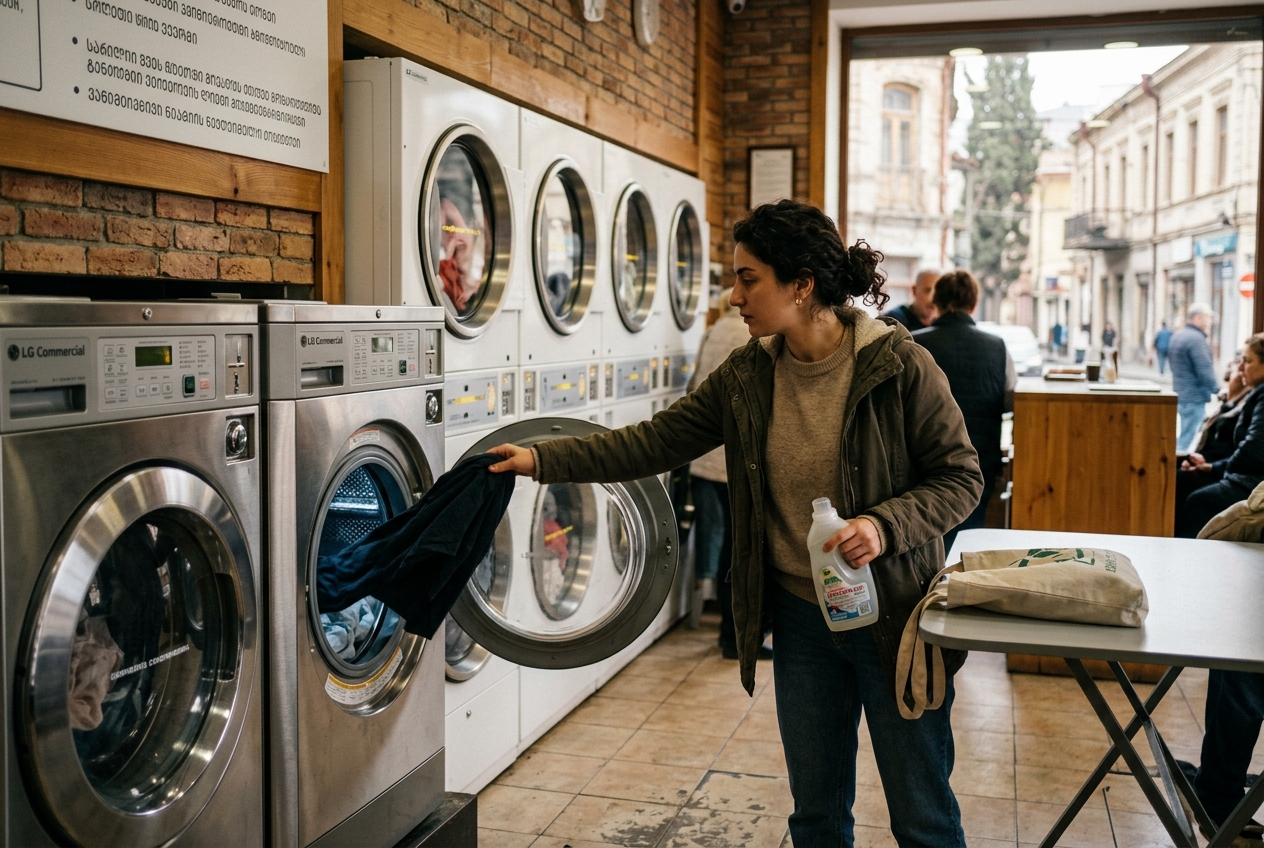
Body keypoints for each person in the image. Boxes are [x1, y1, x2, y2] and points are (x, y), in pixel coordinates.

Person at [489, 199, 983, 847]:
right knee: (815, 816)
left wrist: (884, 526)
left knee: (922, 816)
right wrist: (538, 459)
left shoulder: (898, 365)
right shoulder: (748, 375)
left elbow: (960, 478)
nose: (734, 294)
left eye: (749, 278)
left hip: (893, 617)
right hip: (803, 622)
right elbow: (656, 441)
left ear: (801, 285)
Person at [913, 270, 1015, 555]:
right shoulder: (997, 347)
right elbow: (1009, 401)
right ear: (974, 304)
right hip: (980, 461)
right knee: (968, 545)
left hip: (922, 460)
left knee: (925, 541)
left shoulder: (914, 344)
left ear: (938, 303)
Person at [685, 291, 763, 659]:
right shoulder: (757, 338)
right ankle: (735, 638)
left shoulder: (714, 330)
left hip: (703, 460)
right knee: (740, 553)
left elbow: (692, 388)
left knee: (716, 550)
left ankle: (719, 628)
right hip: (734, 465)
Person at [1175, 334, 1264, 538]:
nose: (1240, 368)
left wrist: (1215, 469)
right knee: (1181, 481)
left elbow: (1255, 449)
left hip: (1252, 482)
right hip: (1245, 476)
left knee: (1197, 500)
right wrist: (1210, 467)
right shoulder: (1256, 393)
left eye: (1248, 361)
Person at [1170, 303, 1222, 454]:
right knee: (1185, 440)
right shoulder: (1196, 340)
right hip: (1194, 395)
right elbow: (1204, 369)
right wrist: (1218, 390)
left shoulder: (1179, 335)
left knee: (1190, 433)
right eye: (1208, 317)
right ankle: (1175, 471)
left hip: (1182, 393)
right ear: (1198, 317)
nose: (1211, 322)